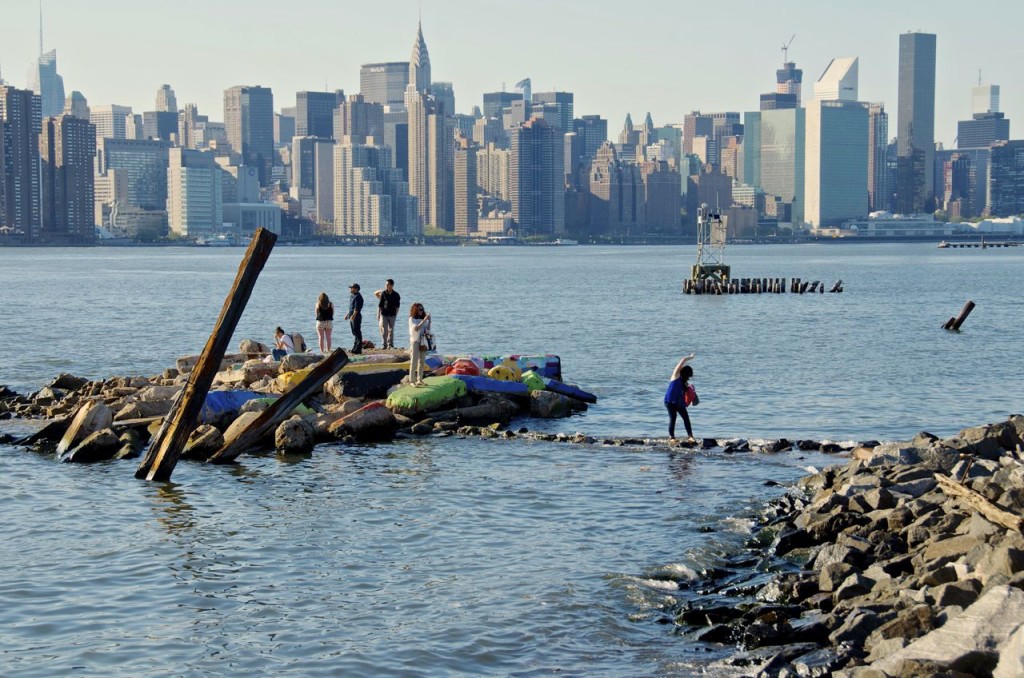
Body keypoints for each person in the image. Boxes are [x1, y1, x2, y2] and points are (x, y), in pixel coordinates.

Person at [664, 353, 696, 442]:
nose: (689, 377)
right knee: (673, 418)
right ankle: (672, 438)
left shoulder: (684, 382)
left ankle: (690, 437)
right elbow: (682, 361)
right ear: (686, 373)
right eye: (689, 375)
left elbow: (685, 395)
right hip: (670, 402)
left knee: (686, 418)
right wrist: (690, 357)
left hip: (679, 402)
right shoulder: (675, 376)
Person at [374, 278, 401, 349]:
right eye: (386, 284)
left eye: (388, 284)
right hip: (384, 314)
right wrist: (378, 314)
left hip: (392, 314)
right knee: (384, 330)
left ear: (392, 285)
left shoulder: (396, 295)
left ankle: (390, 345)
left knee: (391, 330)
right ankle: (384, 345)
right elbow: (380, 305)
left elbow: (398, 306)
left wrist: (396, 314)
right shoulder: (383, 293)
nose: (386, 286)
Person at [408, 302, 431, 386]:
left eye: (422, 309)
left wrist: (429, 321)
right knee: (414, 361)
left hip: (423, 341)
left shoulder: (423, 319)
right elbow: (416, 328)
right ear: (415, 310)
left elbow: (427, 329)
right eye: (419, 309)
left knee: (422, 361)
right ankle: (412, 381)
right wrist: (425, 320)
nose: (421, 311)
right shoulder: (412, 318)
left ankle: (419, 379)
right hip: (415, 341)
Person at [345, 283, 364, 354]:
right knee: (354, 332)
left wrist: (353, 315)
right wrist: (347, 315)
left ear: (356, 289)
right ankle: (354, 348)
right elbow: (351, 307)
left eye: (352, 288)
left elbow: (357, 308)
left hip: (356, 317)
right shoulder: (352, 296)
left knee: (357, 332)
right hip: (351, 316)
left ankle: (358, 349)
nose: (350, 289)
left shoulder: (358, 297)